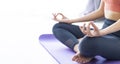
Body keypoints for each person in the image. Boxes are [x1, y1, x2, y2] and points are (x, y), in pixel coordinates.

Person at [52, 0, 120, 63]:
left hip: (117, 37)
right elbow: (101, 11)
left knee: (87, 43)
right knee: (59, 27)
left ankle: (86, 49)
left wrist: (102, 32)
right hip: (104, 32)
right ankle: (78, 48)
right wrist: (71, 20)